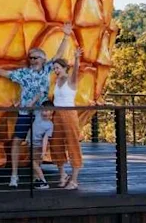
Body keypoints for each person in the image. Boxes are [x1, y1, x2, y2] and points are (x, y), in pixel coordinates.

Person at [0, 45, 53, 188]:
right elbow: (6, 74)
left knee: (37, 145)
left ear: (43, 59)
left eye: (35, 57)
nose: (32, 60)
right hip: (25, 113)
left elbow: (59, 55)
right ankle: (14, 175)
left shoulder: (47, 69)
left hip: (40, 114)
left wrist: (66, 36)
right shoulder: (24, 73)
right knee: (17, 141)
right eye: (30, 58)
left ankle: (38, 176)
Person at [49, 45, 84, 189]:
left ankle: (74, 180)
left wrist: (76, 59)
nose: (56, 71)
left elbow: (76, 72)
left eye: (58, 68)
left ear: (64, 68)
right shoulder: (57, 82)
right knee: (56, 143)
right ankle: (63, 175)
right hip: (56, 114)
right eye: (55, 68)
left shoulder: (71, 81)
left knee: (72, 143)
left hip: (69, 113)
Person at [30, 100, 57, 188]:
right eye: (43, 110)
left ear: (52, 112)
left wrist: (43, 151)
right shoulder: (38, 115)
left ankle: (43, 181)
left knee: (33, 162)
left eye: (47, 111)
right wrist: (37, 98)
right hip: (31, 143)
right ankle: (37, 180)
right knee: (36, 164)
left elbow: (46, 139)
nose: (44, 112)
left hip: (38, 146)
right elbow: (31, 106)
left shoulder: (49, 125)